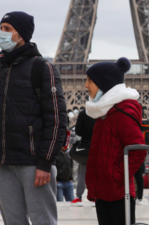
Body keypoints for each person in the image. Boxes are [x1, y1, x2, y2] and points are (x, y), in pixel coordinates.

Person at [0, 12, 66, 225]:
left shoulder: (42, 68)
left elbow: (56, 118)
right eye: (1, 28)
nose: (2, 33)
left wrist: (46, 162)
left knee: (42, 221)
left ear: (22, 34)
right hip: (3, 162)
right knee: (12, 222)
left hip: (33, 162)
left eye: (8, 29)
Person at [84, 57, 147, 225]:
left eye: (89, 80)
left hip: (118, 193)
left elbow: (139, 150)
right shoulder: (104, 114)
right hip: (104, 191)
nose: (86, 85)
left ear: (103, 84)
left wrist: (116, 176)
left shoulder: (121, 114)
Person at [70, 109, 96, 207]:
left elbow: (78, 131)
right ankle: (95, 198)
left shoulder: (83, 113)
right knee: (96, 173)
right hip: (97, 147)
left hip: (85, 148)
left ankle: (79, 197)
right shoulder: (100, 112)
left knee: (82, 172)